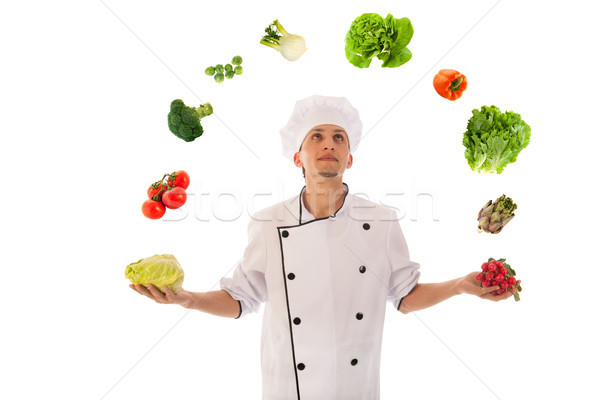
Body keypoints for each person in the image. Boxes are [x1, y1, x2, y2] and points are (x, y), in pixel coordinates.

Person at [130, 95, 520, 400]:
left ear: (350, 158)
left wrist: (459, 286)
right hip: (287, 387)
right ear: (297, 157)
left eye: (338, 138)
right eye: (316, 136)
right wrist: (188, 299)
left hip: (357, 387)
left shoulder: (382, 220)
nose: (328, 144)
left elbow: (404, 296)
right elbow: (241, 298)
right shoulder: (268, 222)